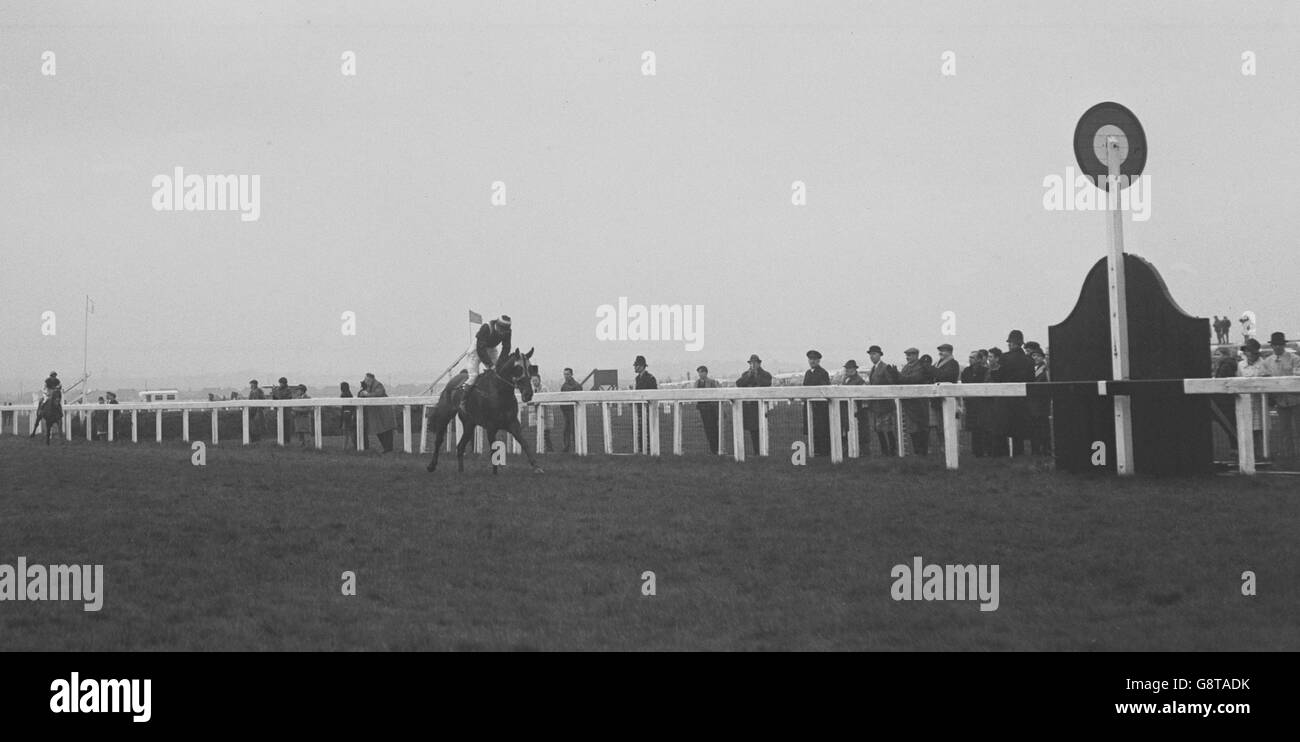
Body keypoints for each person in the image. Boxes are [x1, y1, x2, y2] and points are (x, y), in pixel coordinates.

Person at [1263, 332, 1299, 462]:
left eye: (1280, 344)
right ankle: (1288, 454)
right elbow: (1265, 378)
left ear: (1284, 345)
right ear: (1272, 346)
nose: (1277, 347)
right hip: (1280, 400)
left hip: (1296, 399)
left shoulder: (1294, 358)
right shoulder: (1267, 361)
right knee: (1284, 429)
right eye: (1275, 345)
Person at [999, 330, 1035, 456]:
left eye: (1009, 342)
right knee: (1019, 429)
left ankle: (1006, 454)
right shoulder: (1029, 360)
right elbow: (1031, 380)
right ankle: (1019, 453)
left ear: (1013, 343)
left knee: (1006, 428)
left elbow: (1000, 378)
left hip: (1007, 399)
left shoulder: (1004, 358)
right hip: (1023, 399)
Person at [1238, 338, 1271, 459]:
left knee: (1261, 428)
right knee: (1247, 428)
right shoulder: (1240, 365)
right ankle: (1250, 454)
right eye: (1247, 351)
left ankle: (1264, 453)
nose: (1249, 353)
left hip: (1259, 401)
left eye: (1251, 351)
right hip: (1245, 402)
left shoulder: (1264, 364)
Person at [865, 345, 900, 456]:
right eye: (870, 354)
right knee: (879, 429)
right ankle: (884, 451)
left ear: (880, 355)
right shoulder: (873, 369)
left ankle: (892, 450)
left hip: (886, 404)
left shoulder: (885, 367)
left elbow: (891, 383)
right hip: (877, 405)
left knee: (888, 428)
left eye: (874, 354)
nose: (872, 356)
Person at [898, 348, 932, 456]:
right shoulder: (906, 367)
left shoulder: (920, 366)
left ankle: (923, 451)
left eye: (910, 355)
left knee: (921, 426)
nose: (908, 357)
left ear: (916, 355)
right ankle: (917, 451)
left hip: (919, 402)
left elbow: (913, 379)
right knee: (912, 427)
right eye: (907, 355)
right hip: (909, 402)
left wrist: (898, 376)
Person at [736, 354, 772, 454]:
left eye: (754, 363)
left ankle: (763, 450)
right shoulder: (746, 374)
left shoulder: (765, 374)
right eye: (751, 363)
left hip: (760, 406)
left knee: (762, 428)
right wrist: (749, 376)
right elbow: (739, 384)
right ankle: (756, 451)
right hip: (749, 407)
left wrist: (756, 376)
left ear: (759, 363)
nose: (752, 365)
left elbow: (767, 384)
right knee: (753, 430)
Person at [357, 373, 397, 453]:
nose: (365, 381)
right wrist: (362, 392)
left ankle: (388, 449)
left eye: (366, 380)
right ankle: (387, 449)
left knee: (386, 431)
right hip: (377, 415)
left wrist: (367, 394)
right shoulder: (368, 386)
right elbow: (360, 395)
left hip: (384, 413)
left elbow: (378, 394)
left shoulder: (378, 385)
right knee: (379, 431)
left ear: (371, 379)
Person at [961, 350, 990, 457]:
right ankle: (976, 451)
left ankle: (986, 449)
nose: (970, 359)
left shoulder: (985, 371)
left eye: (973, 357)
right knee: (974, 429)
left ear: (979, 359)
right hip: (971, 403)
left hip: (982, 404)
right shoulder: (966, 371)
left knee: (983, 427)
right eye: (970, 357)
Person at [802, 350, 832, 457]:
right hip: (809, 406)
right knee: (811, 428)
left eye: (814, 359)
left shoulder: (823, 373)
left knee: (822, 429)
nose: (812, 361)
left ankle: (824, 451)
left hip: (820, 407)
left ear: (818, 360)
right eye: (810, 359)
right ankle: (815, 450)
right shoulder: (808, 373)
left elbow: (824, 389)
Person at [469, 315, 512, 387]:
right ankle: (463, 396)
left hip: (492, 348)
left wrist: (500, 362)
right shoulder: (486, 327)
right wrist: (490, 364)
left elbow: (506, 348)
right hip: (477, 349)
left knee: (498, 372)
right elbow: (481, 349)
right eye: (501, 330)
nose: (502, 333)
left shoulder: (508, 332)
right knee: (474, 376)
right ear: (497, 325)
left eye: (504, 331)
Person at [840, 359, 870, 455]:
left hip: (858, 409)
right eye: (847, 368)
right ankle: (849, 449)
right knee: (847, 428)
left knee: (861, 430)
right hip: (847, 408)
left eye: (849, 368)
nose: (848, 370)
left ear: (854, 369)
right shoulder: (846, 379)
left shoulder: (859, 380)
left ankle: (863, 451)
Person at [1028, 348, 1052, 455]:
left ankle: (1046, 448)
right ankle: (1036, 449)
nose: (1035, 358)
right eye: (1033, 356)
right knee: (1034, 426)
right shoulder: (1031, 369)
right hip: (1033, 401)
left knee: (1043, 425)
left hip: (1042, 400)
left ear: (1042, 357)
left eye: (1038, 356)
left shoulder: (1045, 368)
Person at [632, 356, 657, 453]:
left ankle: (650, 449)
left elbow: (653, 394)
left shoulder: (650, 378)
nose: (635, 367)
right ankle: (642, 449)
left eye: (636, 365)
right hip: (640, 408)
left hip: (648, 409)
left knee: (649, 429)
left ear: (642, 366)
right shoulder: (637, 378)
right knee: (640, 429)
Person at [695, 365, 721, 454]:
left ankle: (717, 448)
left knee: (713, 428)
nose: (700, 374)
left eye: (702, 372)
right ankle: (713, 449)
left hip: (711, 409)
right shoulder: (697, 383)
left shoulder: (712, 382)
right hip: (702, 409)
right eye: (699, 372)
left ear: (706, 373)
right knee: (707, 429)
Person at [528, 373, 554, 452]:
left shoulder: (544, 388)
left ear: (539, 380)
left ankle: (549, 450)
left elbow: (546, 400)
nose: (534, 382)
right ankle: (538, 450)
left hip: (545, 415)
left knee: (546, 434)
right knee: (536, 433)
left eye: (536, 380)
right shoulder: (530, 389)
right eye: (533, 381)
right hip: (534, 415)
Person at [559, 368, 582, 453]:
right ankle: (566, 448)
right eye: (564, 374)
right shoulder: (563, 386)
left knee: (574, 430)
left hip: (574, 412)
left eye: (567, 374)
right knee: (566, 431)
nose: (566, 376)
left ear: (571, 374)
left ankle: (577, 447)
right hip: (566, 412)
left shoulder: (577, 386)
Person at [271, 377, 294, 444]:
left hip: (286, 411)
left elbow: (283, 397)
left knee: (286, 427)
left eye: (281, 383)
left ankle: (287, 441)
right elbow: (275, 399)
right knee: (280, 426)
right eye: (280, 383)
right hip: (279, 411)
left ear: (284, 383)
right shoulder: (278, 389)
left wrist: (275, 392)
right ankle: (281, 440)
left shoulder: (288, 390)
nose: (280, 384)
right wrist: (274, 394)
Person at [339, 381, 357, 450]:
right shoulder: (350, 394)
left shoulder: (344, 395)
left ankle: (345, 447)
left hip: (346, 414)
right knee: (349, 431)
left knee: (347, 431)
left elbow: (344, 407)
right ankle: (353, 445)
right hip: (349, 414)